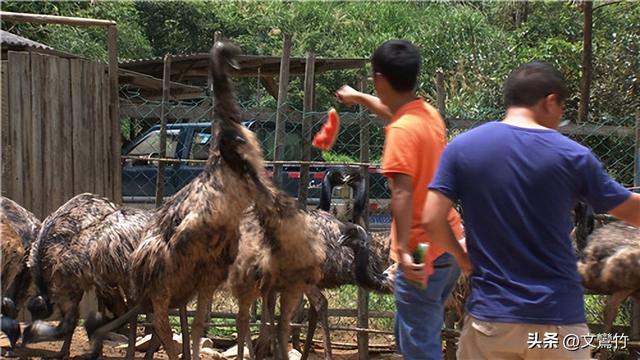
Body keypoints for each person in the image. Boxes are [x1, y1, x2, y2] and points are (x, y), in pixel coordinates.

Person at [422, 61, 640, 359]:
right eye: (562, 110)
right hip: (557, 327)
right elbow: (631, 210)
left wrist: (463, 259)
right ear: (550, 101)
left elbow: (432, 218)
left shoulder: (463, 148)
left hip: (491, 322)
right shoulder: (572, 156)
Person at [336, 39, 464, 360]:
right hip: (448, 240)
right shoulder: (427, 115)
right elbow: (392, 111)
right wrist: (359, 97)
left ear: (380, 79)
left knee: (419, 341)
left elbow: (402, 193)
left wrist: (406, 254)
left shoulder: (402, 132)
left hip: (422, 250)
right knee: (413, 327)